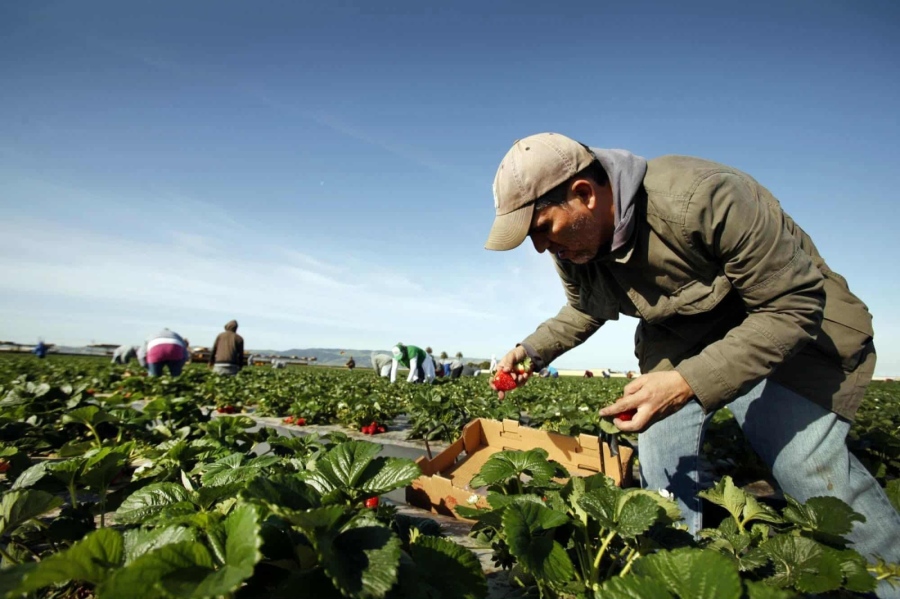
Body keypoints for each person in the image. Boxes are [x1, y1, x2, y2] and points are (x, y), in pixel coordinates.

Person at [484, 132, 899, 595]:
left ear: (584, 194)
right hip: (682, 339)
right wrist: (532, 350)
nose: (541, 248)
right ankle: (678, 576)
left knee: (803, 462)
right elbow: (586, 307)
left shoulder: (703, 196)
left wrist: (688, 382)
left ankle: (890, 577)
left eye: (542, 228)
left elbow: (793, 306)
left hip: (791, 329)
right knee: (661, 461)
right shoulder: (576, 244)